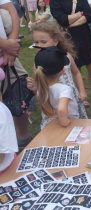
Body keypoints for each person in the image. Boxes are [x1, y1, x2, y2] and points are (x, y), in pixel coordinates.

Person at [28, 22, 88, 119]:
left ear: (55, 41)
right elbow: (39, 87)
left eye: (43, 42)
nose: (39, 45)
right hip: (53, 103)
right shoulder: (37, 65)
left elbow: (76, 73)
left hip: (71, 98)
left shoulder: (67, 57)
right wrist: (34, 88)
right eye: (36, 42)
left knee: (77, 123)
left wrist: (82, 91)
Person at [0, 0, 32, 149]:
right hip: (5, 47)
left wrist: (12, 41)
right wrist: (6, 45)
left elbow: (11, 10)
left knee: (19, 89)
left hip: (6, 52)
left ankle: (23, 137)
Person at [50, 0, 91, 91]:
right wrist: (80, 14)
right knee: (75, 68)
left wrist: (71, 24)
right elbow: (62, 19)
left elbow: (89, 15)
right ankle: (80, 93)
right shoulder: (55, 1)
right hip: (69, 38)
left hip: (85, 35)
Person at [30, 46, 80, 129]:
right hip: (67, 127)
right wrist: (65, 122)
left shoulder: (41, 88)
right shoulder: (64, 89)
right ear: (62, 71)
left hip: (48, 126)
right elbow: (61, 109)